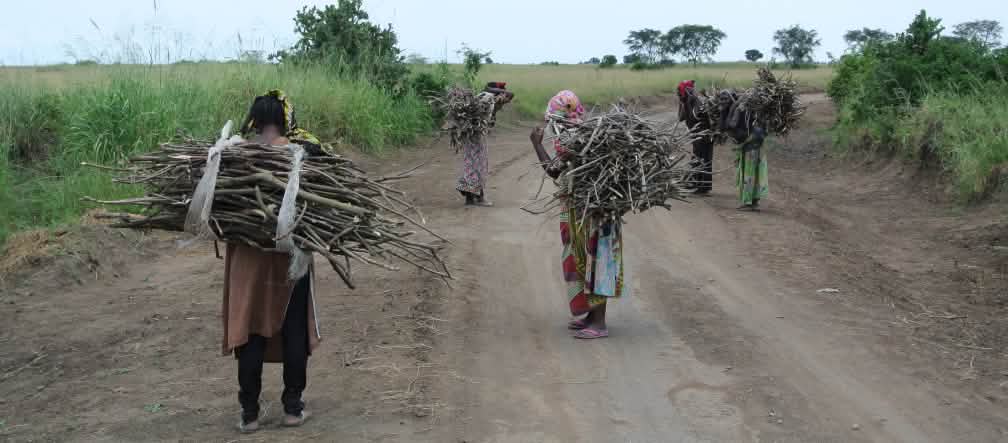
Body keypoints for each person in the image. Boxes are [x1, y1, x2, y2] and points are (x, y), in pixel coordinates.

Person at [225, 90, 323, 433]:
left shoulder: (232, 154)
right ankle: (292, 409)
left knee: (250, 329)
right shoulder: (303, 154)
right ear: (286, 120)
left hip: (249, 261)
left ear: (254, 120)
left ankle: (249, 414)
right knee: (293, 328)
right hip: (289, 259)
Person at [529, 90, 624, 339]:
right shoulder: (580, 132)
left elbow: (554, 171)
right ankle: (592, 316)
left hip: (595, 212)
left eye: (553, 119)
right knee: (584, 259)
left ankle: (600, 324)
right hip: (583, 208)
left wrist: (537, 145)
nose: (551, 125)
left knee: (597, 259)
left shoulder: (578, 138)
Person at [456, 82, 514, 207]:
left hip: (469, 136)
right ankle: (480, 197)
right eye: (506, 98)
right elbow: (484, 121)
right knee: (480, 167)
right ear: (501, 94)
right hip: (477, 138)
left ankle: (470, 199)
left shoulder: (482, 95)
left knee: (470, 165)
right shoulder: (489, 99)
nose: (505, 102)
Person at [717, 90, 769, 210]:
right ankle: (753, 201)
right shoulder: (740, 108)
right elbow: (723, 128)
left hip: (751, 145)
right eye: (720, 99)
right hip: (755, 144)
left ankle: (748, 203)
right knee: (754, 173)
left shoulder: (738, 109)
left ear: (731, 99)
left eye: (725, 99)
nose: (722, 101)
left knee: (749, 174)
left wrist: (732, 108)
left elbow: (731, 125)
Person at [677, 80, 714, 195]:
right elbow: (681, 118)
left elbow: (697, 117)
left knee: (703, 159)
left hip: (704, 136)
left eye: (680, 92)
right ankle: (697, 184)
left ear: (686, 91)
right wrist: (681, 103)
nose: (678, 94)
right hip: (697, 136)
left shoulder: (696, 101)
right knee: (698, 159)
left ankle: (702, 187)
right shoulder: (687, 102)